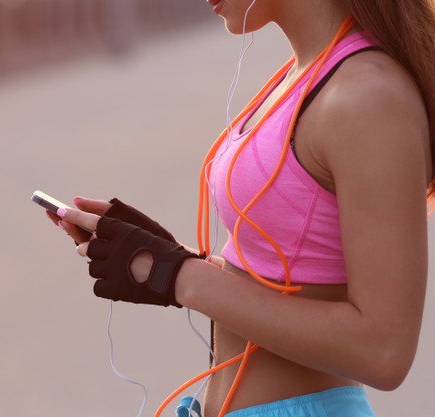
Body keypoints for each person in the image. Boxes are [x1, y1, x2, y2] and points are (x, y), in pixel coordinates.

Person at [45, 0, 435, 416]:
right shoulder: (304, 72)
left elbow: (384, 352)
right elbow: (286, 271)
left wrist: (178, 275)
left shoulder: (367, 95)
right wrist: (165, 257)